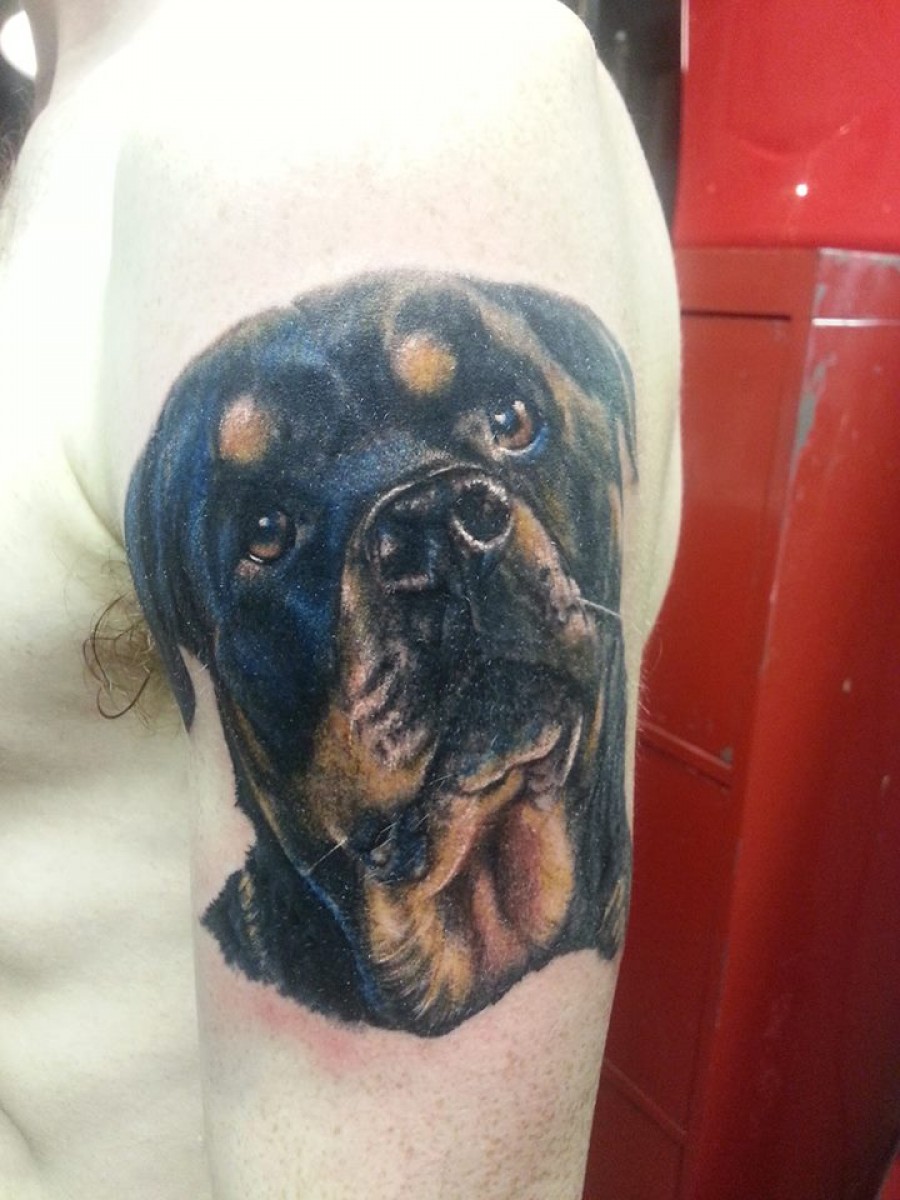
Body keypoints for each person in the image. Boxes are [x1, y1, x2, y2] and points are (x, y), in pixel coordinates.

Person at [0, 2, 680, 1196]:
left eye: (505, 421)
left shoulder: (342, 86)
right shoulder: (76, 112)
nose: (446, 537)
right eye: (268, 530)